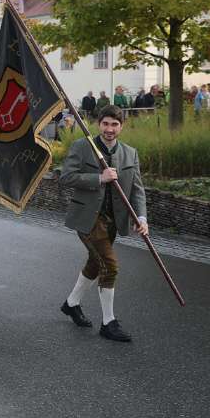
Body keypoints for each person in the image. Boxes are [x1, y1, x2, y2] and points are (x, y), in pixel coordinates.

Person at [59, 105, 147, 343]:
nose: (110, 129)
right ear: (99, 124)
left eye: (115, 125)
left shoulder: (130, 153)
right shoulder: (82, 146)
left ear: (121, 126)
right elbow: (66, 177)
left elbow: (137, 190)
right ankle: (108, 322)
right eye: (106, 124)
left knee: (95, 263)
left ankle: (71, 303)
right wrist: (99, 178)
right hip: (87, 218)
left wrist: (141, 218)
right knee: (110, 265)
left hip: (113, 221)